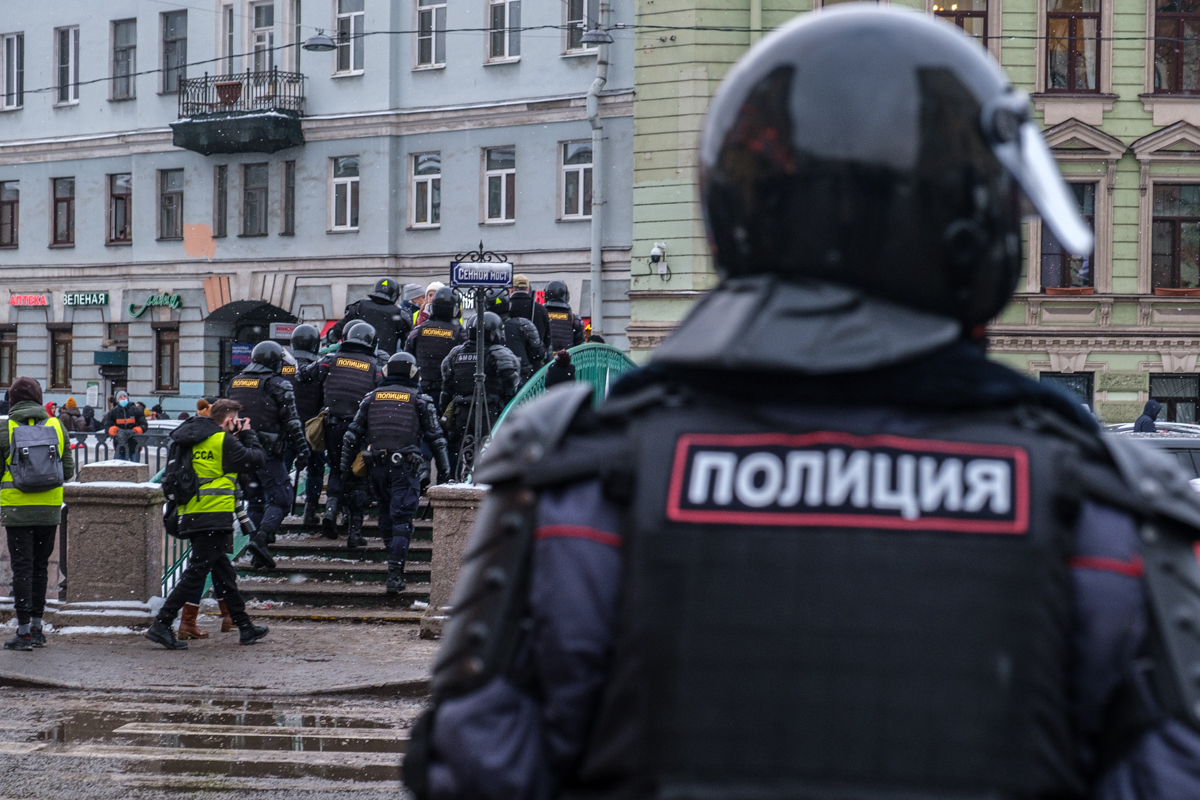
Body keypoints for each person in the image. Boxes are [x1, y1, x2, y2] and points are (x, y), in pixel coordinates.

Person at [407, 8, 1200, 799]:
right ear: (973, 241)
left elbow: (475, 772)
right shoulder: (1100, 506)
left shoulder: (583, 478)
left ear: (735, 215)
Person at [146, 399, 270, 650]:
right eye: (235, 420)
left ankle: (245, 627)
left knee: (224, 573)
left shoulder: (190, 438)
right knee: (195, 574)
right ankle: (162, 623)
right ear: (228, 420)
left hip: (192, 512)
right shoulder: (221, 441)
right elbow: (256, 460)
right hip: (214, 514)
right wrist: (247, 434)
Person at [342, 352, 451, 592]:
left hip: (377, 468)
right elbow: (437, 439)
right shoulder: (420, 400)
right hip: (404, 468)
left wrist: (345, 470)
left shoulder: (371, 398)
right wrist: (444, 474)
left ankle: (393, 564)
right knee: (401, 521)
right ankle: (394, 574)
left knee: (385, 515)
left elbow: (351, 436)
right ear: (414, 372)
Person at [1, 378, 73, 651]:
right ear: (39, 399)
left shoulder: (5, 427)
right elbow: (68, 470)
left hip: (17, 508)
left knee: (22, 568)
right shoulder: (56, 425)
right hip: (49, 508)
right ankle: (36, 627)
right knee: (40, 568)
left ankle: (22, 633)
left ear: (13, 402)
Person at [227, 341, 310, 569]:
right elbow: (292, 422)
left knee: (255, 501)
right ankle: (261, 539)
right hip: (267, 453)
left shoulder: (236, 381)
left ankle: (257, 553)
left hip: (242, 452)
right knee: (282, 498)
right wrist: (303, 449)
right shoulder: (279, 384)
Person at [299, 321, 382, 547]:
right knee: (359, 476)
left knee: (336, 469)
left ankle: (330, 511)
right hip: (359, 429)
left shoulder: (330, 360)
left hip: (332, 426)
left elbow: (304, 375)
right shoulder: (375, 366)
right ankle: (354, 532)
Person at [439, 312, 520, 471]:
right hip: (488, 411)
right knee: (491, 455)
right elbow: (511, 379)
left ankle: (466, 480)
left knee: (469, 456)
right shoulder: (497, 351)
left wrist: (445, 412)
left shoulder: (456, 353)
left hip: (462, 412)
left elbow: (446, 386)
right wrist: (508, 399)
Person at [285, 324, 327, 527]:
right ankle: (310, 511)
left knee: (281, 470)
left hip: (285, 429)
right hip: (311, 429)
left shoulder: (280, 365)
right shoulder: (319, 368)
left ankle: (276, 509)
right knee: (316, 470)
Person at [406, 286, 465, 409]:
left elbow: (407, 357)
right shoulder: (460, 332)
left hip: (421, 389)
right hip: (449, 391)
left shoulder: (418, 330)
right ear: (455, 309)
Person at [326, 278, 411, 355]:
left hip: (355, 355)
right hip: (382, 360)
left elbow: (337, 331)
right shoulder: (399, 313)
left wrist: (327, 341)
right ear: (395, 295)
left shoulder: (359, 307)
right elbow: (408, 343)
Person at [491, 290, 545, 383]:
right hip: (521, 379)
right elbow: (539, 353)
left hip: (493, 380)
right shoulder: (523, 324)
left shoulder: (483, 327)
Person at [101, 390, 147, 461]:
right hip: (119, 446)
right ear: (117, 400)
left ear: (127, 398)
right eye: (120, 397)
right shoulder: (113, 413)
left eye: (124, 396)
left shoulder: (136, 411)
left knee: (135, 469)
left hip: (134, 445)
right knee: (118, 469)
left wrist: (134, 431)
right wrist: (117, 431)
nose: (123, 399)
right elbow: (107, 427)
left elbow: (144, 425)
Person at [543, 279, 585, 352]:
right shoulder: (574, 318)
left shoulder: (540, 314)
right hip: (566, 359)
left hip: (545, 361)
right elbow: (580, 345)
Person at [509, 274, 551, 346]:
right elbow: (547, 340)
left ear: (511, 290)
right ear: (528, 289)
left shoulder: (506, 307)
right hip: (535, 355)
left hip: (510, 354)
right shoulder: (541, 310)